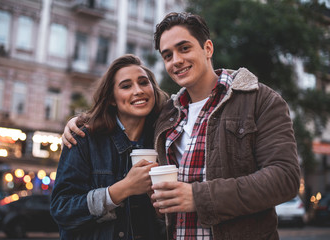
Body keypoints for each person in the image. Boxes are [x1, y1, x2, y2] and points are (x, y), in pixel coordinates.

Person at [61, 12, 300, 240]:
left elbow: (285, 178)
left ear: (208, 48)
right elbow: (127, 112)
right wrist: (82, 121)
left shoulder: (260, 100)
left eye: (184, 48)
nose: (176, 61)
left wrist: (198, 197)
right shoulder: (167, 114)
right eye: (167, 55)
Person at [50, 54, 168, 239]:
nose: (138, 91)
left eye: (144, 82)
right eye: (126, 86)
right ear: (112, 98)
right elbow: (62, 210)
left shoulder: (164, 140)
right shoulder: (83, 138)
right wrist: (123, 189)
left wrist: (161, 209)